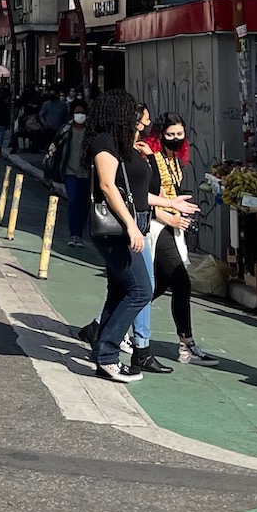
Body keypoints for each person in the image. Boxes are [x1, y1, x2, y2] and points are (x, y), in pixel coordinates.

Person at [74, 90, 170, 384]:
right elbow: (107, 185)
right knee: (141, 289)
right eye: (132, 112)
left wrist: (171, 204)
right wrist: (130, 225)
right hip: (116, 230)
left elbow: (135, 191)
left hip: (130, 225)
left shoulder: (120, 143)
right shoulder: (104, 142)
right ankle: (107, 355)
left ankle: (101, 344)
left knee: (119, 291)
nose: (140, 119)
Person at [145, 113, 216, 366]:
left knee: (158, 286)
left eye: (179, 134)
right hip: (156, 225)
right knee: (181, 283)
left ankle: (104, 324)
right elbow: (143, 196)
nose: (175, 139)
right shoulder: (150, 157)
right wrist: (169, 217)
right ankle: (186, 345)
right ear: (159, 135)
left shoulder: (175, 159)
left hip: (172, 225)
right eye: (170, 135)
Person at [52, 97, 94, 247]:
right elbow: (56, 148)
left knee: (84, 204)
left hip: (87, 172)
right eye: (77, 112)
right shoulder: (65, 130)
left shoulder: (91, 132)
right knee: (73, 201)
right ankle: (73, 234)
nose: (80, 115)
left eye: (82, 112)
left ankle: (80, 234)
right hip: (70, 171)